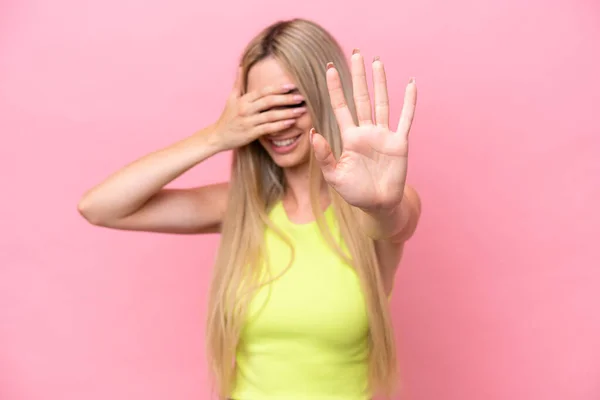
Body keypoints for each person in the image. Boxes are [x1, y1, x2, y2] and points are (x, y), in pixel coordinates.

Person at [78, 18, 421, 400]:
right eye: (261, 107)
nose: (277, 123)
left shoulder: (372, 207)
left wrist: (384, 203)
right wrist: (215, 137)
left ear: (325, 98)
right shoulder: (241, 209)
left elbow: (395, 221)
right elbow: (100, 207)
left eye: (291, 102)